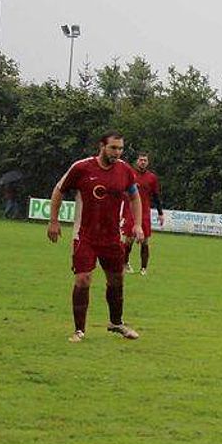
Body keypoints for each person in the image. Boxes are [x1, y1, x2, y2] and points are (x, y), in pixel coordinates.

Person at [47, 131, 144, 343]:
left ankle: (116, 323)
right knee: (83, 279)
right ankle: (79, 330)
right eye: (113, 148)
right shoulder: (82, 168)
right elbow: (58, 190)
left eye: (120, 148)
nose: (117, 152)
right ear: (102, 146)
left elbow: (135, 197)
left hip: (111, 238)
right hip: (85, 235)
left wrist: (137, 224)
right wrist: (53, 221)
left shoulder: (125, 170)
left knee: (116, 278)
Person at [121, 152, 165, 275]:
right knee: (129, 239)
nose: (143, 162)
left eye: (145, 160)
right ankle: (125, 263)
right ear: (137, 161)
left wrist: (160, 213)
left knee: (144, 241)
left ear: (148, 162)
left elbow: (156, 196)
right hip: (130, 212)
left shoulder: (152, 178)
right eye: (141, 160)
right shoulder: (130, 174)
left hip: (144, 213)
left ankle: (143, 268)